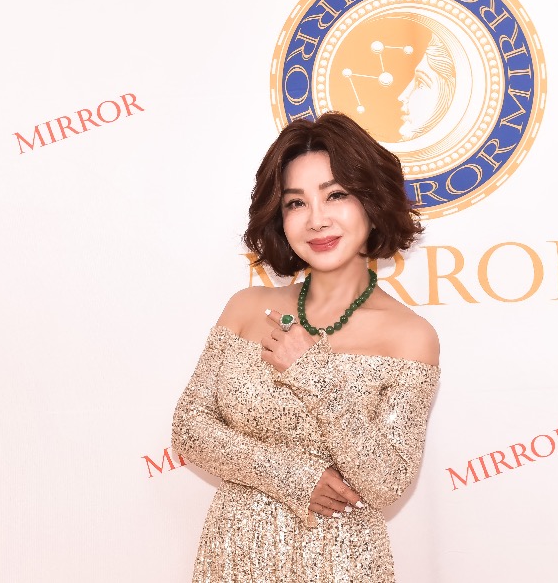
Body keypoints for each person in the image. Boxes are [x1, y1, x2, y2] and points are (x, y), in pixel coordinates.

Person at [171, 112, 441, 582]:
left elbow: (388, 483)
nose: (317, 219)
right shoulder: (246, 308)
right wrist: (293, 476)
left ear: (371, 202)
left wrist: (314, 375)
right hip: (233, 557)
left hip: (342, 563)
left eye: (336, 195)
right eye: (296, 203)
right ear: (280, 217)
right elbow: (189, 429)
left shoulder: (410, 336)